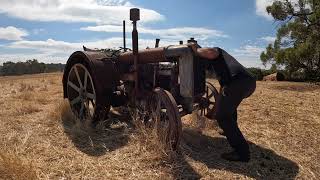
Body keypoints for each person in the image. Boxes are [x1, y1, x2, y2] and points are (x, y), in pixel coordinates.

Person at [189, 44, 256, 162]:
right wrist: (216, 109)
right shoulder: (222, 67)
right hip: (247, 82)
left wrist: (195, 50)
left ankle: (242, 153)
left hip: (238, 82)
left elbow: (212, 51)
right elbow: (223, 91)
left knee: (223, 117)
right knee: (229, 107)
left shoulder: (216, 52)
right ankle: (228, 131)